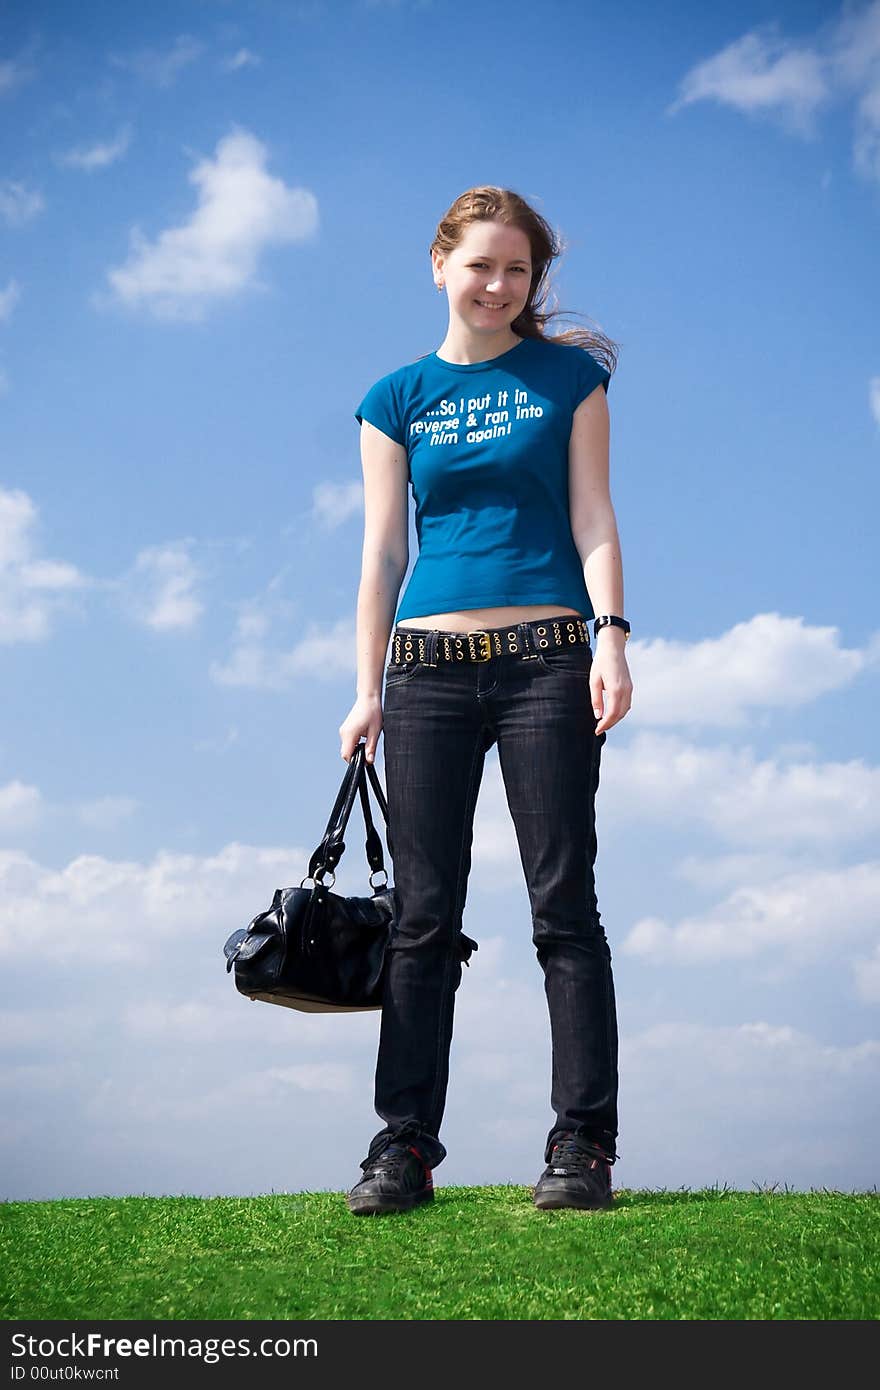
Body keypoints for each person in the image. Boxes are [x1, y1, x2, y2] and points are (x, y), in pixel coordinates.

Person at [339, 185, 633, 1216]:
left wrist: (611, 637)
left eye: (517, 271)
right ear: (438, 265)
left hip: (550, 658)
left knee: (563, 908)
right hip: (423, 671)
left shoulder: (568, 379)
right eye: (481, 266)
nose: (499, 286)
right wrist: (364, 689)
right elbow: (382, 551)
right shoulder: (395, 397)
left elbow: (594, 514)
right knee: (421, 919)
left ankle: (580, 1146)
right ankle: (403, 1146)